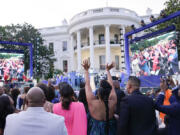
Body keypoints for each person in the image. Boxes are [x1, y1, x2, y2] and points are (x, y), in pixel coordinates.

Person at [82, 60, 117, 135]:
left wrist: (86, 70)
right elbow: (112, 86)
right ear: (109, 92)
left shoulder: (92, 102)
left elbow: (87, 85)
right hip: (111, 130)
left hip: (96, 131)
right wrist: (108, 71)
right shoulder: (113, 100)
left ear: (98, 93)